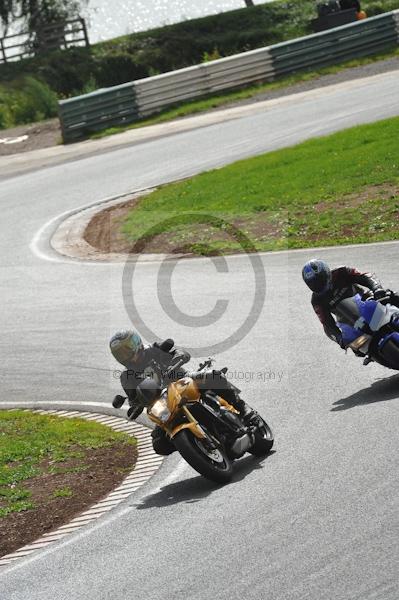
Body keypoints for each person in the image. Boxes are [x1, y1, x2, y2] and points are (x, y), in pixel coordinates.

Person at [109, 330, 255, 455]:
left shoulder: (153, 350)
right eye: (120, 354)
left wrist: (179, 357)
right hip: (163, 403)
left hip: (183, 381)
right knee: (159, 444)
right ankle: (193, 445)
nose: (125, 355)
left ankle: (243, 408)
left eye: (126, 350)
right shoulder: (126, 377)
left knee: (213, 376)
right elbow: (133, 397)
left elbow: (178, 352)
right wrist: (135, 405)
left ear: (136, 343)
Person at [302, 259, 399, 347]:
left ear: (326, 272)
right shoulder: (316, 301)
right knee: (356, 346)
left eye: (319, 280)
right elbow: (327, 324)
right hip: (353, 323)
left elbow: (364, 277)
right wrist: (339, 338)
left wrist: (377, 288)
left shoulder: (341, 272)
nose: (318, 284)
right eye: (313, 283)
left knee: (391, 296)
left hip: (368, 302)